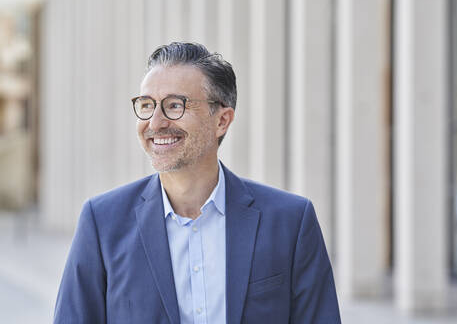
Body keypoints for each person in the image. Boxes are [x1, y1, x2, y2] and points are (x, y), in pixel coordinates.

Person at [54, 42, 341, 324]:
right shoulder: (103, 223)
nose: (155, 122)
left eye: (175, 105)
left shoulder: (290, 221)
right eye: (146, 105)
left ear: (222, 120)